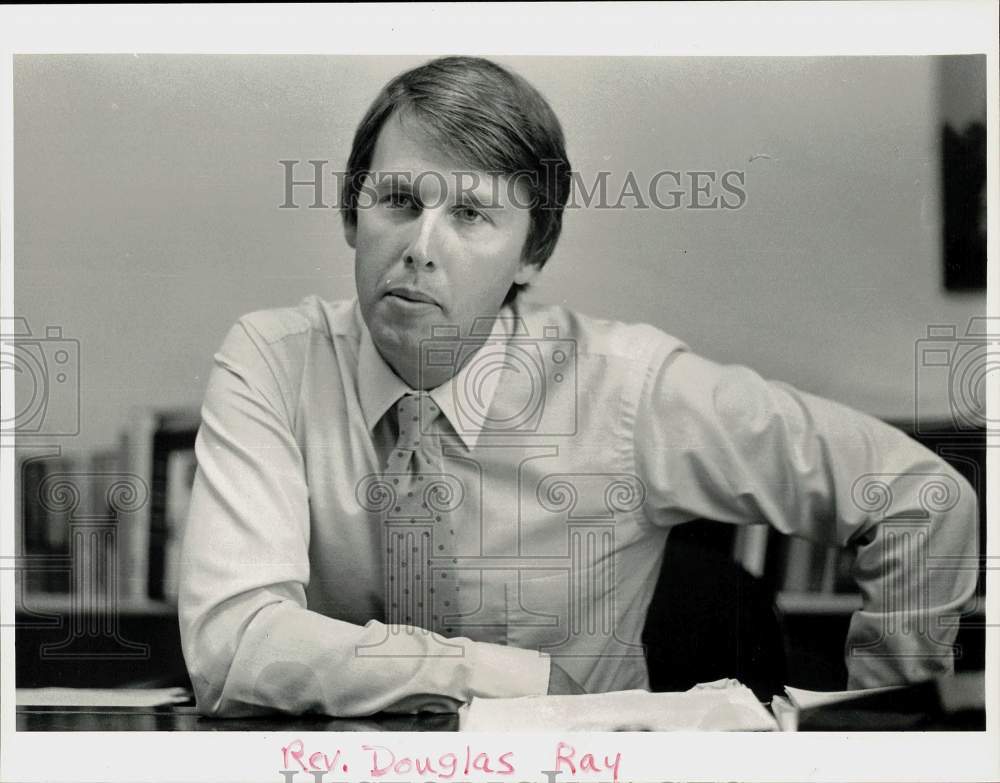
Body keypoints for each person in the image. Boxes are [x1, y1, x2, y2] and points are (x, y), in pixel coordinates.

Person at [178, 56, 978, 718]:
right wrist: (513, 679)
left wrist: (880, 735)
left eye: (470, 215)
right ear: (353, 215)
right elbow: (232, 641)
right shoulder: (273, 360)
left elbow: (917, 495)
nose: (420, 247)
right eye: (396, 201)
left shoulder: (625, 390)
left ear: (532, 254)